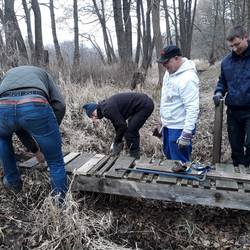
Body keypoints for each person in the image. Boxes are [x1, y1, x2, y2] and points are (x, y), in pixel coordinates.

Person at [0, 65, 67, 198]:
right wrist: (50, 130)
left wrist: (35, 150)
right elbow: (60, 105)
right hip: (34, 103)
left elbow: (17, 124)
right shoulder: (44, 74)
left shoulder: (8, 74)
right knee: (55, 162)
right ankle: (60, 206)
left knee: (2, 138)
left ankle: (13, 185)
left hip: (3, 106)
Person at [213, 25, 250, 167]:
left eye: (237, 44)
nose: (234, 49)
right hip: (233, 111)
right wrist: (218, 92)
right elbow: (222, 81)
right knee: (236, 146)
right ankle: (238, 175)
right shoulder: (226, 62)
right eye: (231, 46)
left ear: (245, 37)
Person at [157, 45, 199, 163]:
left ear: (176, 58)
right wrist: (162, 121)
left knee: (180, 163)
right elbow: (167, 99)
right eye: (163, 63)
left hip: (179, 128)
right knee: (169, 159)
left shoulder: (188, 78)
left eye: (166, 62)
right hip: (168, 126)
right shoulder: (169, 72)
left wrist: (186, 133)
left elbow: (192, 108)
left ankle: (184, 181)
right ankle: (172, 181)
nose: (164, 66)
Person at [83, 92, 154, 159]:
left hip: (144, 105)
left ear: (95, 108)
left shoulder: (106, 109)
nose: (94, 118)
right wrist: (116, 141)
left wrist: (117, 141)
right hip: (142, 104)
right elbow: (117, 125)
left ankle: (135, 158)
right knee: (130, 127)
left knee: (130, 131)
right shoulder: (105, 107)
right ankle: (131, 154)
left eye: (92, 115)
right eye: (91, 117)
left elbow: (122, 126)